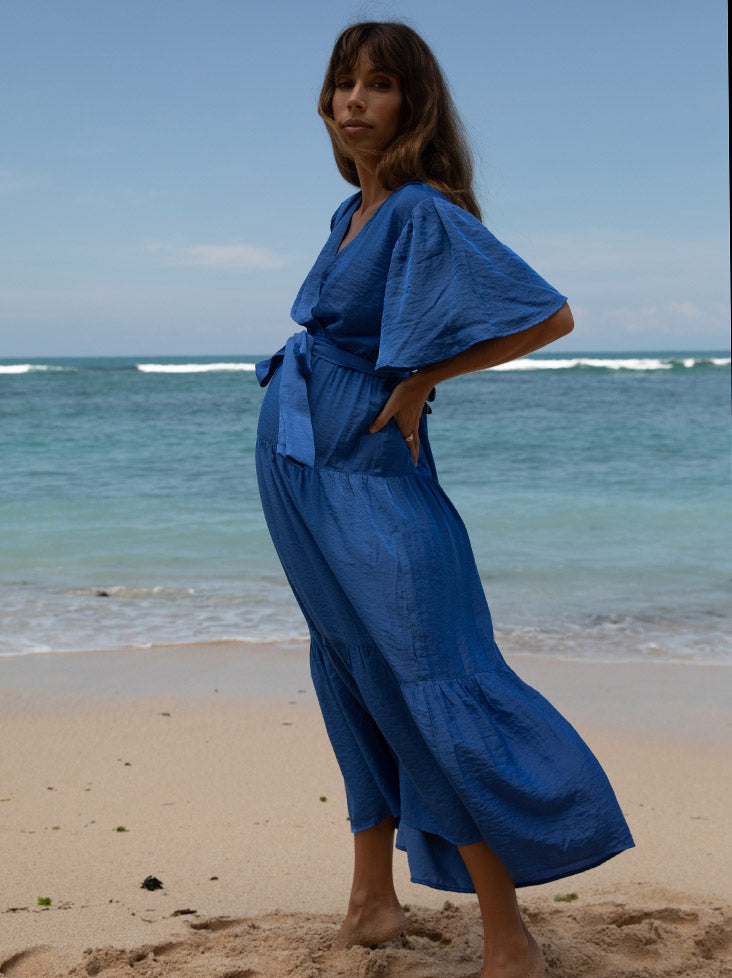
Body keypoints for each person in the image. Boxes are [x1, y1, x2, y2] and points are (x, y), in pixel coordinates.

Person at [255, 21, 634, 978]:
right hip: (307, 471)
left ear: (411, 104)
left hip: (370, 475)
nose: (352, 100)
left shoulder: (424, 209)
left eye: (376, 85)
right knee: (350, 672)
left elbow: (549, 314)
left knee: (427, 675)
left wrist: (424, 382)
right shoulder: (348, 217)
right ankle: (371, 900)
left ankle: (508, 933)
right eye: (343, 82)